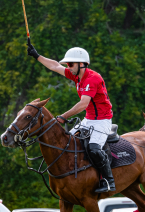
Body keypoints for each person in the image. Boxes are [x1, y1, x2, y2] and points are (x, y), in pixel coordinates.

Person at [27, 42, 115, 193]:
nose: (68, 67)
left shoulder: (92, 78)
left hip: (102, 120)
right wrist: (37, 56)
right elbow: (54, 66)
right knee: (66, 142)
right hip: (89, 119)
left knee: (94, 149)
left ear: (82, 64)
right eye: (67, 64)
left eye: (70, 64)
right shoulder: (77, 76)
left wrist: (63, 116)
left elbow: (83, 104)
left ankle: (108, 181)